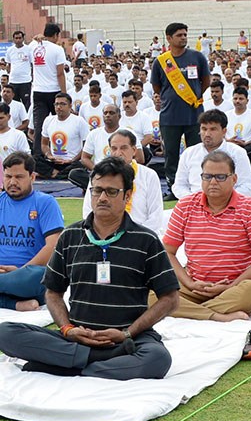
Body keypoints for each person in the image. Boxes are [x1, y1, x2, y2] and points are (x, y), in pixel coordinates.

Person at [0, 156, 180, 380]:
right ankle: (97, 361)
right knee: (5, 333)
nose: (102, 197)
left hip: (128, 337)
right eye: (97, 190)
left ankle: (71, 366)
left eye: (111, 192)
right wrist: (68, 329)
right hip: (76, 335)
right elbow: (53, 293)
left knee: (158, 359)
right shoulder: (71, 236)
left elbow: (171, 298)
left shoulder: (146, 240)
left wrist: (127, 333)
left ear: (127, 195)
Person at [159, 150, 251, 322]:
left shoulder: (250, 208)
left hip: (234, 289)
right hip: (194, 287)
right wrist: (190, 283)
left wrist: (231, 285)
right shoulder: (186, 205)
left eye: (220, 177)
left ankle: (188, 311)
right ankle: (216, 316)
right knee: (150, 293)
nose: (213, 182)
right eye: (207, 176)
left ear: (234, 179)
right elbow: (167, 252)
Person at [151, 22, 212, 201]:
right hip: (169, 116)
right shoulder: (161, 61)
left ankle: (198, 188)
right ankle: (173, 189)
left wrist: (195, 96)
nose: (183, 38)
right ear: (169, 38)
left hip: (194, 114)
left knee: (198, 152)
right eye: (179, 35)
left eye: (185, 34)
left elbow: (206, 80)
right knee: (171, 154)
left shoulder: (197, 57)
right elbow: (157, 86)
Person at [0, 152, 63, 312]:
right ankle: (15, 304)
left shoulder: (45, 203)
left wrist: (21, 272)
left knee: (38, 277)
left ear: (32, 177)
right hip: (2, 275)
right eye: (8, 177)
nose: (12, 182)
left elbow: (53, 246)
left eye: (19, 177)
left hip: (30, 276)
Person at [80, 130, 163, 233]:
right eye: (114, 149)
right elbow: (88, 210)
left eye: (124, 148)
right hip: (105, 233)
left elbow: (156, 217)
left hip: (141, 235)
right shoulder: (99, 175)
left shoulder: (148, 175)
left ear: (133, 150)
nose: (118, 153)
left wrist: (137, 235)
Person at [172, 109, 251, 199]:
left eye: (213, 129)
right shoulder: (189, 153)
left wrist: (220, 201)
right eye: (204, 129)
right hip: (195, 206)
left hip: (228, 207)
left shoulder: (237, 153)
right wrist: (194, 201)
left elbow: (248, 187)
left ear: (224, 131)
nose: (207, 134)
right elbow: (179, 186)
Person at [28, 24, 68, 154]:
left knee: (39, 125)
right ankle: (62, 150)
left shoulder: (32, 46)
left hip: (38, 91)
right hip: (54, 91)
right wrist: (64, 94)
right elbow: (60, 73)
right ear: (56, 35)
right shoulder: (57, 49)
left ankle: (38, 155)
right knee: (61, 121)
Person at [36, 93, 90, 180]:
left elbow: (86, 146)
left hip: (72, 162)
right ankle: (58, 174)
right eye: (56, 104)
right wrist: (49, 155)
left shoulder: (79, 121)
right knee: (33, 159)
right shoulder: (48, 120)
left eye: (62, 104)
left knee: (80, 165)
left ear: (70, 106)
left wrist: (72, 160)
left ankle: (53, 174)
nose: (59, 107)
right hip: (54, 162)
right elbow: (44, 144)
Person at [225, 88, 251, 164]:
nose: (237, 101)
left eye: (241, 99)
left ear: (247, 101)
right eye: (235, 99)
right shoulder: (226, 115)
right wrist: (228, 141)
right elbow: (219, 133)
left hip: (246, 149)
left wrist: (246, 143)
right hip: (229, 147)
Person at [4, 31, 33, 107]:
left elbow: (32, 64)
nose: (18, 40)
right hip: (13, 81)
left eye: (20, 38)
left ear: (23, 39)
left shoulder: (28, 49)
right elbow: (9, 64)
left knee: (26, 103)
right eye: (16, 38)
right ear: (13, 39)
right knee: (14, 104)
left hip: (25, 81)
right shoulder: (10, 50)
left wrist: (32, 76)